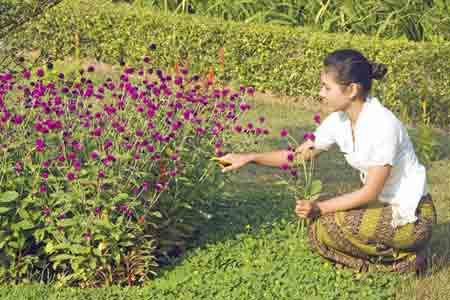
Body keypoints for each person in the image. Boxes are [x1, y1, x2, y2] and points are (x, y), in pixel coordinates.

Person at [217, 49, 436, 273]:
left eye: (327, 87)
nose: (321, 93)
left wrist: (319, 207)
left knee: (333, 223)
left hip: (413, 216)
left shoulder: (382, 125)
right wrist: (249, 158)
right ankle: (395, 264)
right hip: (381, 205)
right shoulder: (338, 121)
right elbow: (299, 156)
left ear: (351, 89)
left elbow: (369, 193)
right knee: (318, 232)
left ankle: (407, 262)